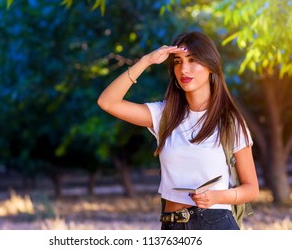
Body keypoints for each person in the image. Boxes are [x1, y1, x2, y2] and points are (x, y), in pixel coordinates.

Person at [97, 31, 259, 230]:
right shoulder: (164, 114)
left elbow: (251, 188)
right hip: (172, 225)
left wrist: (218, 196)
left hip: (215, 223)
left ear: (210, 66)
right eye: (178, 61)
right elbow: (107, 102)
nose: (184, 69)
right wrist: (146, 61)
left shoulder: (230, 122)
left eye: (192, 60)